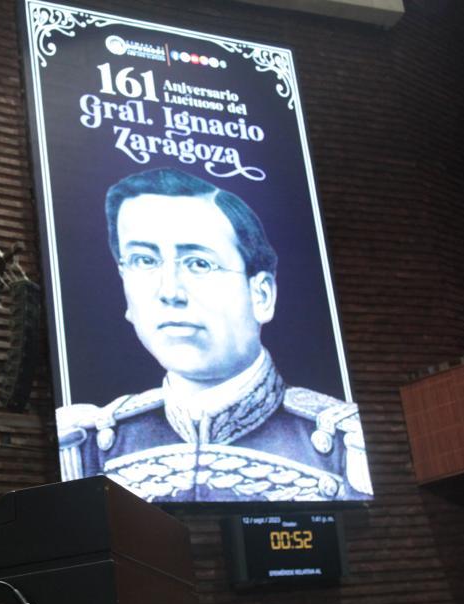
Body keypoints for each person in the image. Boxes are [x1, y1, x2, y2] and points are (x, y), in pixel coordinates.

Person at [57, 167, 371, 502]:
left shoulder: (339, 442)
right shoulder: (91, 443)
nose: (169, 291)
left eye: (199, 264)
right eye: (143, 260)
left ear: (261, 295)